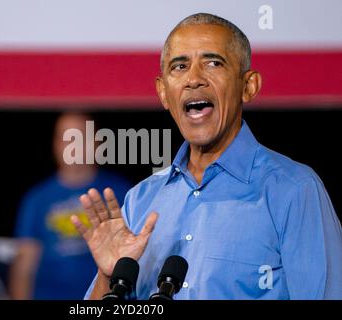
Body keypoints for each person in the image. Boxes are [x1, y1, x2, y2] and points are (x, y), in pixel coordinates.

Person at [71, 13, 342, 299]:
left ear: (248, 86)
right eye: (180, 66)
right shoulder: (140, 200)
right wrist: (109, 277)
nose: (194, 79)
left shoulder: (295, 190)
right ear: (163, 92)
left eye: (213, 63)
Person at [9, 112, 132, 299]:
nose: (73, 145)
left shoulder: (121, 191)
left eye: (80, 136)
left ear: (97, 142)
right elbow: (24, 266)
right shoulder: (37, 199)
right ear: (55, 144)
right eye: (66, 137)